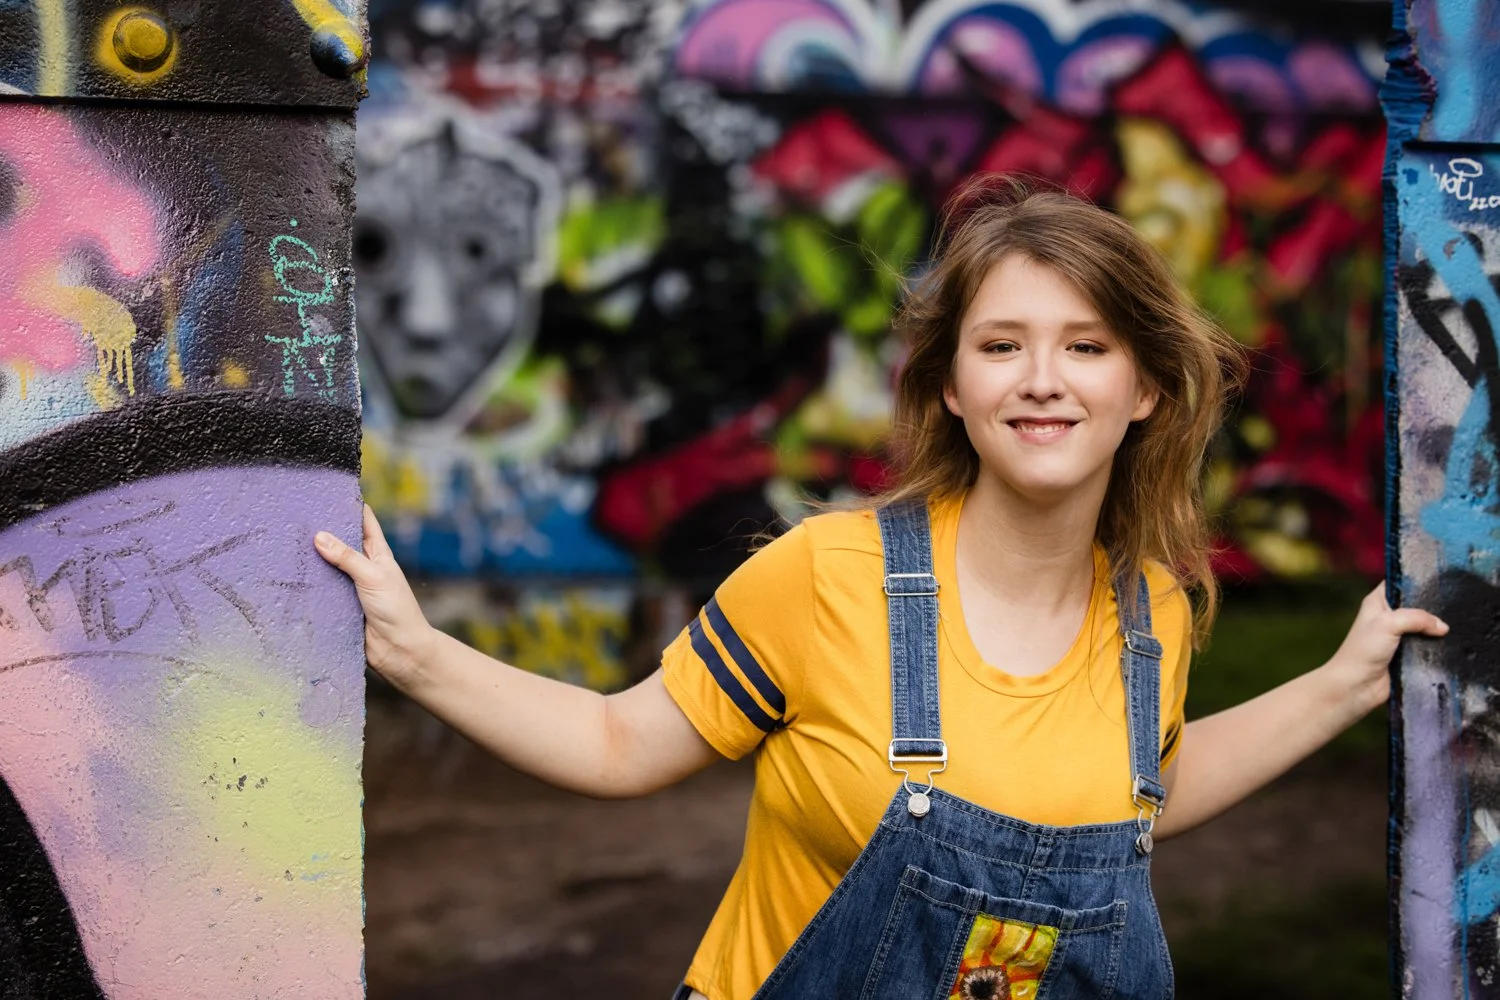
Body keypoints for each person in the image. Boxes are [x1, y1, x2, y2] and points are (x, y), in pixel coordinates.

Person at [315, 177, 1447, 1000]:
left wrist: (1345, 687)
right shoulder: (829, 575)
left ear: (1146, 385)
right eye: (1001, 346)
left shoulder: (1150, 611)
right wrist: (416, 652)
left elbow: (1135, 793)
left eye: (1087, 347)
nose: (1043, 381)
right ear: (952, 385)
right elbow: (619, 744)